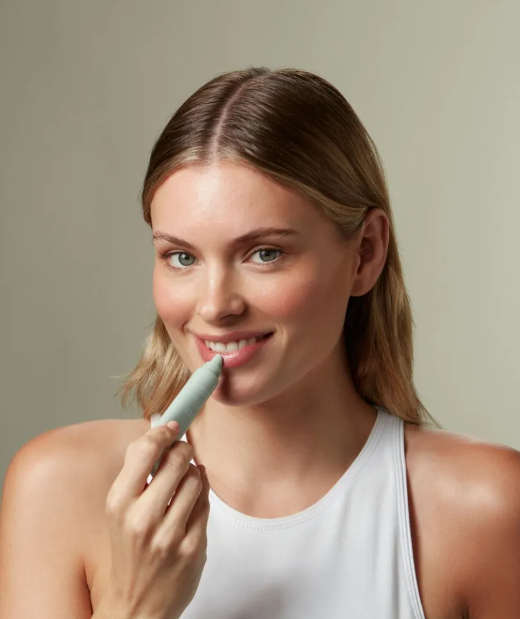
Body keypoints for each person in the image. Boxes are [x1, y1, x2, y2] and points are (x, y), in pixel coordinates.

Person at [0, 67, 519, 619]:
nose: (214, 305)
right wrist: (134, 606)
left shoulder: (483, 509)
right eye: (182, 257)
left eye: (265, 253)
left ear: (365, 253)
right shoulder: (59, 490)